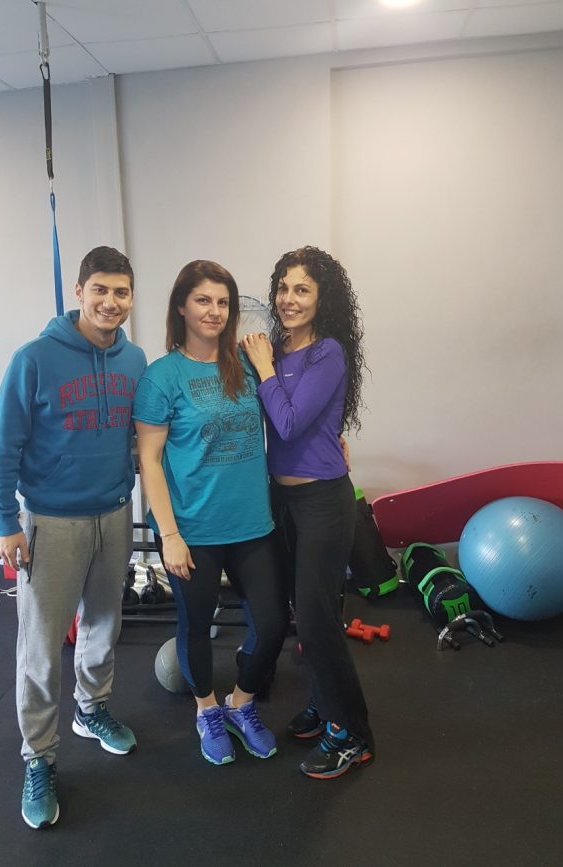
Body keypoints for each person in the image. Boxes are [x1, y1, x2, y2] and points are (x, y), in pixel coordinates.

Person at [0, 246, 147, 829]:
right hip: (50, 522)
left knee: (103, 625)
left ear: (131, 298)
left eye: (121, 292)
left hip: (114, 514)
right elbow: (2, 446)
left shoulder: (135, 360)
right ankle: (39, 757)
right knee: (41, 647)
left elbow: (144, 438)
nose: (110, 301)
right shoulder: (34, 359)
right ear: (79, 292)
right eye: (99, 289)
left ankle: (91, 709)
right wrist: (5, 521)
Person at [133, 260, 288, 767]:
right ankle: (207, 709)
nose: (214, 311)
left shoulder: (248, 362)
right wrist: (169, 535)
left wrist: (334, 440)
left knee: (272, 624)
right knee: (196, 624)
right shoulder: (162, 377)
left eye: (223, 302)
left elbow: (289, 414)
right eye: (203, 300)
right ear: (181, 306)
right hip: (193, 529)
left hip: (251, 524)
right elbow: (150, 461)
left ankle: (241, 703)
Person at [241, 245, 374, 780]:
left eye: (302, 289)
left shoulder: (327, 353)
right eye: (283, 288)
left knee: (318, 620)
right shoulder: (274, 348)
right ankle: (323, 702)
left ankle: (353, 734)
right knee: (304, 615)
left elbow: (291, 423)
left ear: (323, 298)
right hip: (282, 498)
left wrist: (264, 368)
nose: (289, 299)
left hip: (322, 499)